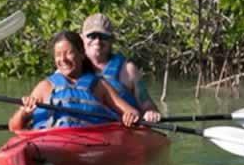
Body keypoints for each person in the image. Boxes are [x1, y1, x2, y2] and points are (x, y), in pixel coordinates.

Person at [8, 31, 141, 131]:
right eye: (58, 55)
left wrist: (130, 116)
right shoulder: (45, 87)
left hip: (87, 143)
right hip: (46, 140)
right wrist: (24, 112)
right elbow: (14, 127)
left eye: (68, 53)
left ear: (82, 54)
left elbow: (133, 112)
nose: (63, 59)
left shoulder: (99, 86)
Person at [81, 13, 161, 123]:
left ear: (112, 39)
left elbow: (147, 104)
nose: (97, 41)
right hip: (86, 130)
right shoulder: (72, 69)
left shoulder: (128, 70)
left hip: (123, 131)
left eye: (103, 36)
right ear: (81, 38)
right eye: (92, 36)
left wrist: (150, 112)